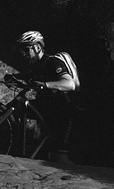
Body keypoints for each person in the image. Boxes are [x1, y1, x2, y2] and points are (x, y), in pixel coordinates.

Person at [10, 30, 79, 162]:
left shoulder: (52, 62)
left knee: (59, 156)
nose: (23, 54)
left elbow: (69, 84)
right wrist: (13, 77)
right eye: (21, 50)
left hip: (64, 112)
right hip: (49, 108)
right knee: (20, 107)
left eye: (26, 49)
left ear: (37, 48)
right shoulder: (36, 66)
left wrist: (46, 84)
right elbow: (28, 76)